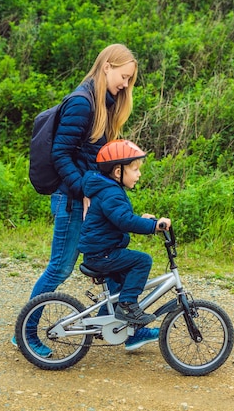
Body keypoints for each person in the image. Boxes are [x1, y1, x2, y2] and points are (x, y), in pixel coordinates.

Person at [13, 44, 158, 355]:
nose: (125, 84)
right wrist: (86, 190)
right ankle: (24, 334)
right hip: (72, 198)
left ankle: (127, 329)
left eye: (130, 80)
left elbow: (92, 156)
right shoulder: (83, 103)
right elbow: (60, 154)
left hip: (87, 196)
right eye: (124, 76)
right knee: (60, 268)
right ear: (107, 66)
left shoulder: (104, 103)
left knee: (113, 257)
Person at [79, 139, 171, 347]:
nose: (139, 174)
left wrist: (145, 220)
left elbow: (120, 217)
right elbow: (124, 220)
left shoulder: (108, 189)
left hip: (102, 251)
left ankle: (109, 320)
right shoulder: (111, 192)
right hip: (102, 254)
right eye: (135, 169)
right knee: (142, 261)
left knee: (121, 284)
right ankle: (128, 307)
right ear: (118, 172)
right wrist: (155, 226)